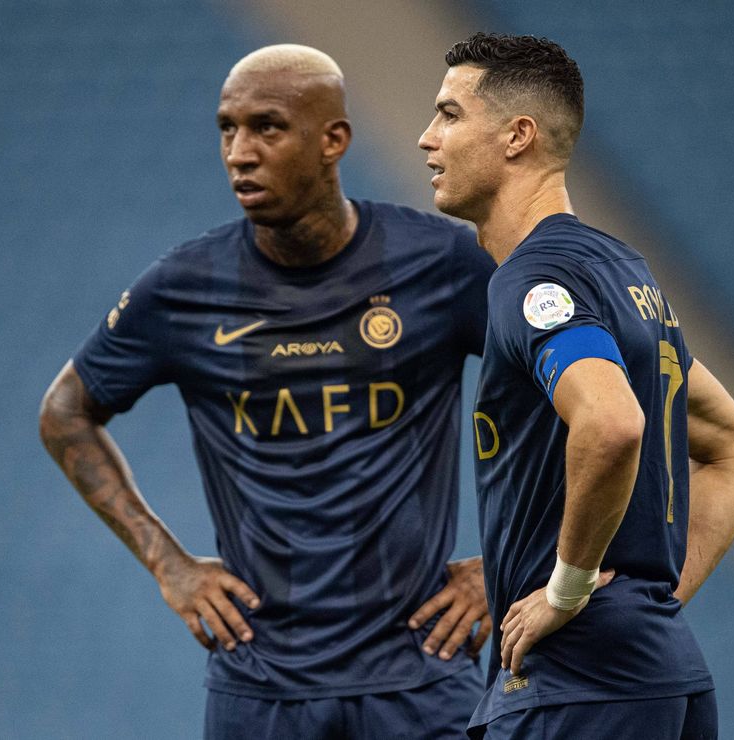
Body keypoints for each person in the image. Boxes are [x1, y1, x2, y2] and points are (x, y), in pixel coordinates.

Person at [39, 44, 497, 739]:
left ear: (333, 141)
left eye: (267, 128)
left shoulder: (442, 263)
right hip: (261, 687)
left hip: (421, 676)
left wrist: (511, 566)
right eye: (228, 129)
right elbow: (65, 412)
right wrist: (168, 563)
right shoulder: (185, 287)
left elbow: (583, 404)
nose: (239, 153)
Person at [418, 33, 734, 738]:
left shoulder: (534, 278)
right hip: (657, 670)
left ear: (517, 136)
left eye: (450, 114)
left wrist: (570, 590)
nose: (428, 138)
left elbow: (611, 423)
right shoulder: (622, 272)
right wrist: (645, 605)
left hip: (576, 685)